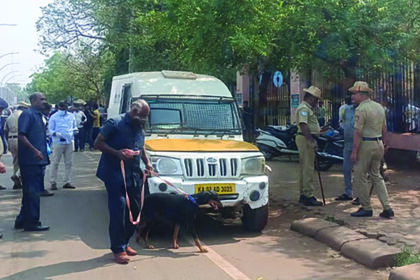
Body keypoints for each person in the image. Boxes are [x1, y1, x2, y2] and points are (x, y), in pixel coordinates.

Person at [95, 99, 153, 264]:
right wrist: (117, 153)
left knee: (136, 210)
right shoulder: (115, 123)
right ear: (134, 111)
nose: (144, 120)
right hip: (114, 173)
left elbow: (141, 146)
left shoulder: (139, 126)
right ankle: (118, 249)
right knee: (119, 210)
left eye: (145, 117)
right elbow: (98, 143)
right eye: (142, 116)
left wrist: (147, 163)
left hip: (133, 174)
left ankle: (125, 242)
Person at [349, 81, 394, 218]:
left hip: (366, 144)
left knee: (360, 175)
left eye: (354, 94)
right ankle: (387, 207)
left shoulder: (361, 109)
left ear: (361, 94)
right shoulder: (379, 107)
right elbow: (384, 128)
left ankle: (366, 207)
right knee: (376, 176)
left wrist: (354, 151)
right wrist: (385, 143)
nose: (352, 97)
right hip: (378, 142)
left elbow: (358, 132)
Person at [14, 93, 50, 231]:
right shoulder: (28, 115)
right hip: (30, 161)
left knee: (29, 192)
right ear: (33, 101)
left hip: (37, 161)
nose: (44, 102)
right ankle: (32, 222)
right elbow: (21, 136)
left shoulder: (38, 115)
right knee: (33, 192)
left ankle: (22, 219)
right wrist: (34, 151)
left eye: (44, 99)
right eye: (41, 99)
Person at [296, 86, 323, 206]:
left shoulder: (306, 108)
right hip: (305, 139)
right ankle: (308, 194)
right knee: (308, 167)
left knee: (305, 167)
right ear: (311, 98)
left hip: (305, 138)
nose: (317, 102)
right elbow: (303, 125)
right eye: (316, 99)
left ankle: (303, 193)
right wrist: (311, 141)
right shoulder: (304, 108)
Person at [48, 102, 78, 190]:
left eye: (64, 108)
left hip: (69, 141)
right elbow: (50, 130)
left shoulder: (71, 116)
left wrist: (75, 130)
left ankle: (67, 181)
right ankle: (53, 182)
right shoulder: (53, 117)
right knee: (55, 162)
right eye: (61, 109)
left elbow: (74, 126)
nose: (63, 110)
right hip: (58, 142)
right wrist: (55, 133)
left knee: (69, 163)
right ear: (58, 108)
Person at [5, 102, 30, 190]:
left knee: (15, 159)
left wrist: (8, 143)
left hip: (11, 139)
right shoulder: (24, 116)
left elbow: (5, 130)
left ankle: (16, 176)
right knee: (24, 159)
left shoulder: (10, 117)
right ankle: (17, 175)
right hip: (21, 139)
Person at [335, 96, 356, 202]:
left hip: (360, 144)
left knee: (360, 171)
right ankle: (348, 192)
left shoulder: (364, 110)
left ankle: (362, 196)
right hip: (347, 143)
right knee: (346, 168)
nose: (353, 97)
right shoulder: (346, 110)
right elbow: (342, 123)